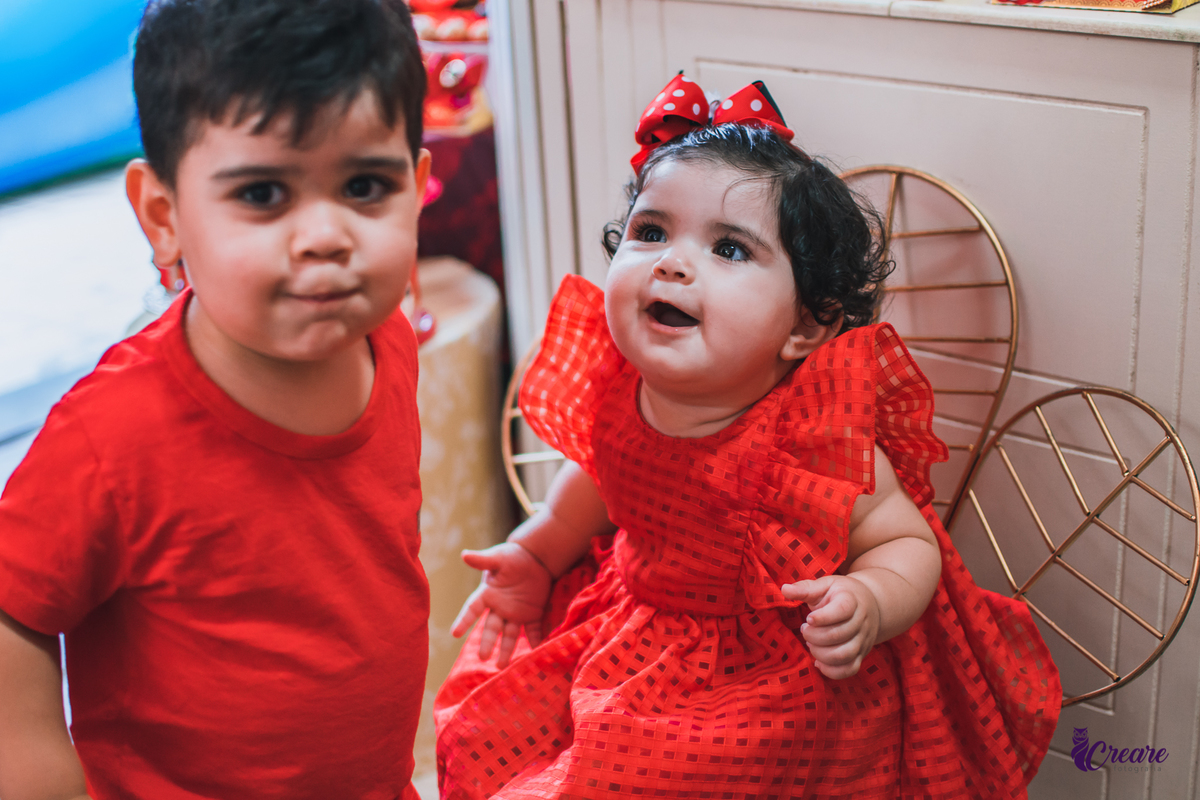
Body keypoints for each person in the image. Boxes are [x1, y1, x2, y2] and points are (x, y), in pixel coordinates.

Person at [435, 74, 1060, 799]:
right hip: (634, 630)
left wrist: (870, 600)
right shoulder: (620, 386)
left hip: (768, 675)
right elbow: (604, 480)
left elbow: (905, 541)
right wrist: (537, 550)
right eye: (650, 231)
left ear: (803, 326)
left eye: (729, 249)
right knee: (500, 740)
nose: (671, 261)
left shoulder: (806, 440)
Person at [0, 1, 431, 798]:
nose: (324, 235)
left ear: (419, 187)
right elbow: (12, 605)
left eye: (366, 185)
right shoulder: (113, 436)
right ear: (164, 219)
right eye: (265, 195)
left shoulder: (389, 339)